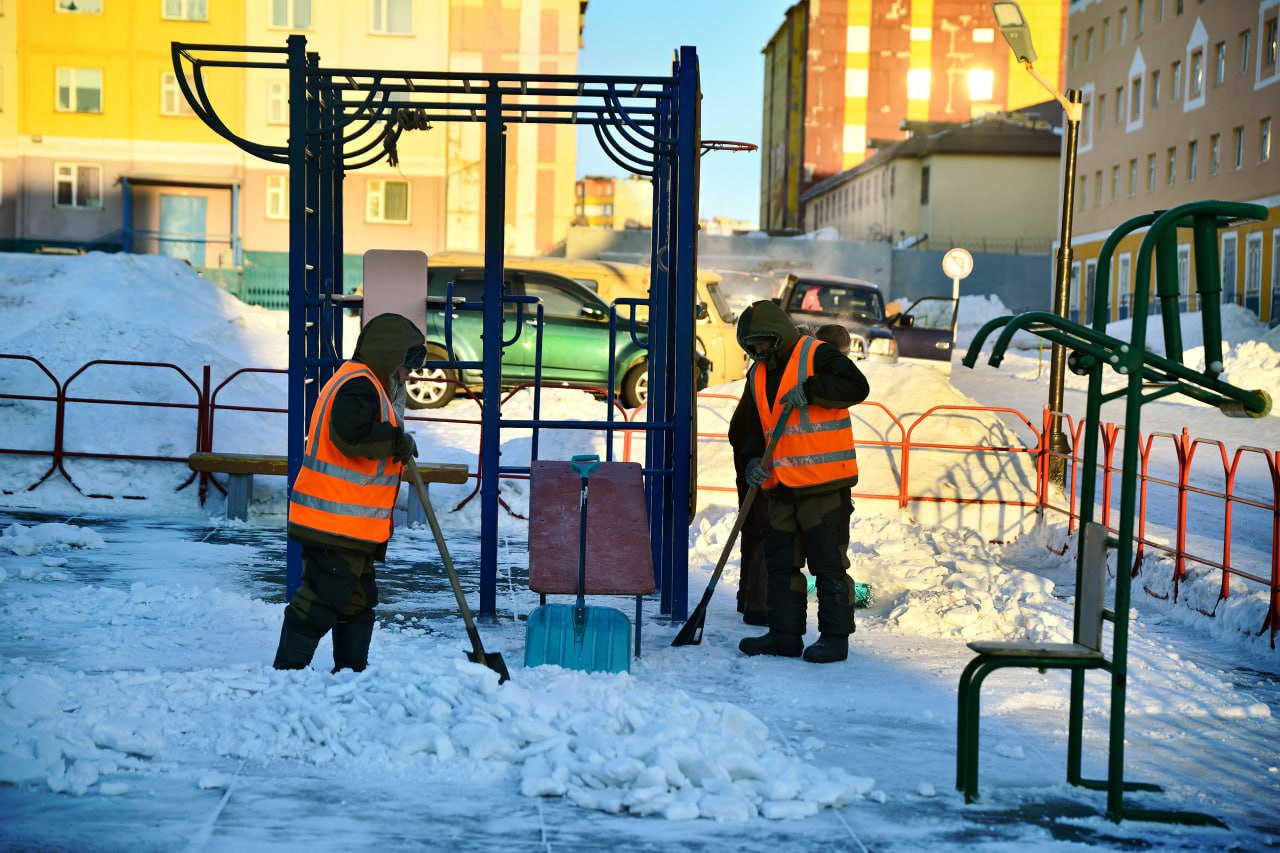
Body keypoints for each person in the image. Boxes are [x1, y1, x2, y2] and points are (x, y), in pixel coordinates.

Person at [273, 313, 427, 673]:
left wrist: (397, 442)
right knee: (320, 599)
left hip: (351, 526)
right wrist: (396, 441)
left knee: (357, 601)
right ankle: (287, 674)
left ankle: (352, 674)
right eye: (406, 366)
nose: (408, 375)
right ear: (389, 356)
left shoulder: (366, 383)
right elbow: (351, 436)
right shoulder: (358, 385)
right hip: (334, 523)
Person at [731, 300, 869, 663]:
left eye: (762, 342)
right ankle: (784, 634)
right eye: (751, 345)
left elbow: (856, 386)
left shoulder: (816, 354)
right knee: (781, 565)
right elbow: (754, 431)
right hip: (780, 487)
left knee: (828, 565)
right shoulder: (757, 375)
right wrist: (750, 463)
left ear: (778, 335)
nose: (758, 351)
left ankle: (835, 638)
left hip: (824, 484)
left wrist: (812, 390)